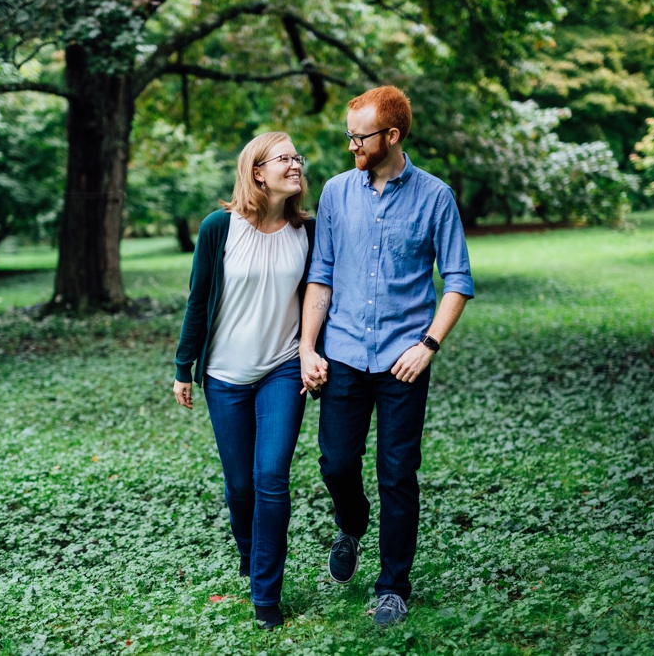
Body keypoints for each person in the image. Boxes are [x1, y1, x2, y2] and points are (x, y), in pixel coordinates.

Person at [298, 86, 474, 627]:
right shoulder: (335, 192)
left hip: (403, 360)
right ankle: (352, 523)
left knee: (398, 473)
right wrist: (307, 347)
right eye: (349, 135)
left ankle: (394, 584)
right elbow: (321, 275)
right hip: (344, 354)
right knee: (336, 464)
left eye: (360, 137)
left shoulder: (435, 197)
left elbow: (458, 281)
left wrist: (428, 346)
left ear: (391, 136)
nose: (351, 145)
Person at [172, 132, 316, 630]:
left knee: (271, 478)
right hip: (226, 377)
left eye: (297, 157)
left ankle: (266, 594)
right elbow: (198, 298)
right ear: (257, 171)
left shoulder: (307, 230)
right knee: (240, 487)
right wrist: (182, 366)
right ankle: (250, 553)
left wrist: (315, 354)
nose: (295, 164)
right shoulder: (219, 228)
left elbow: (319, 297)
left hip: (282, 367)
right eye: (284, 158)